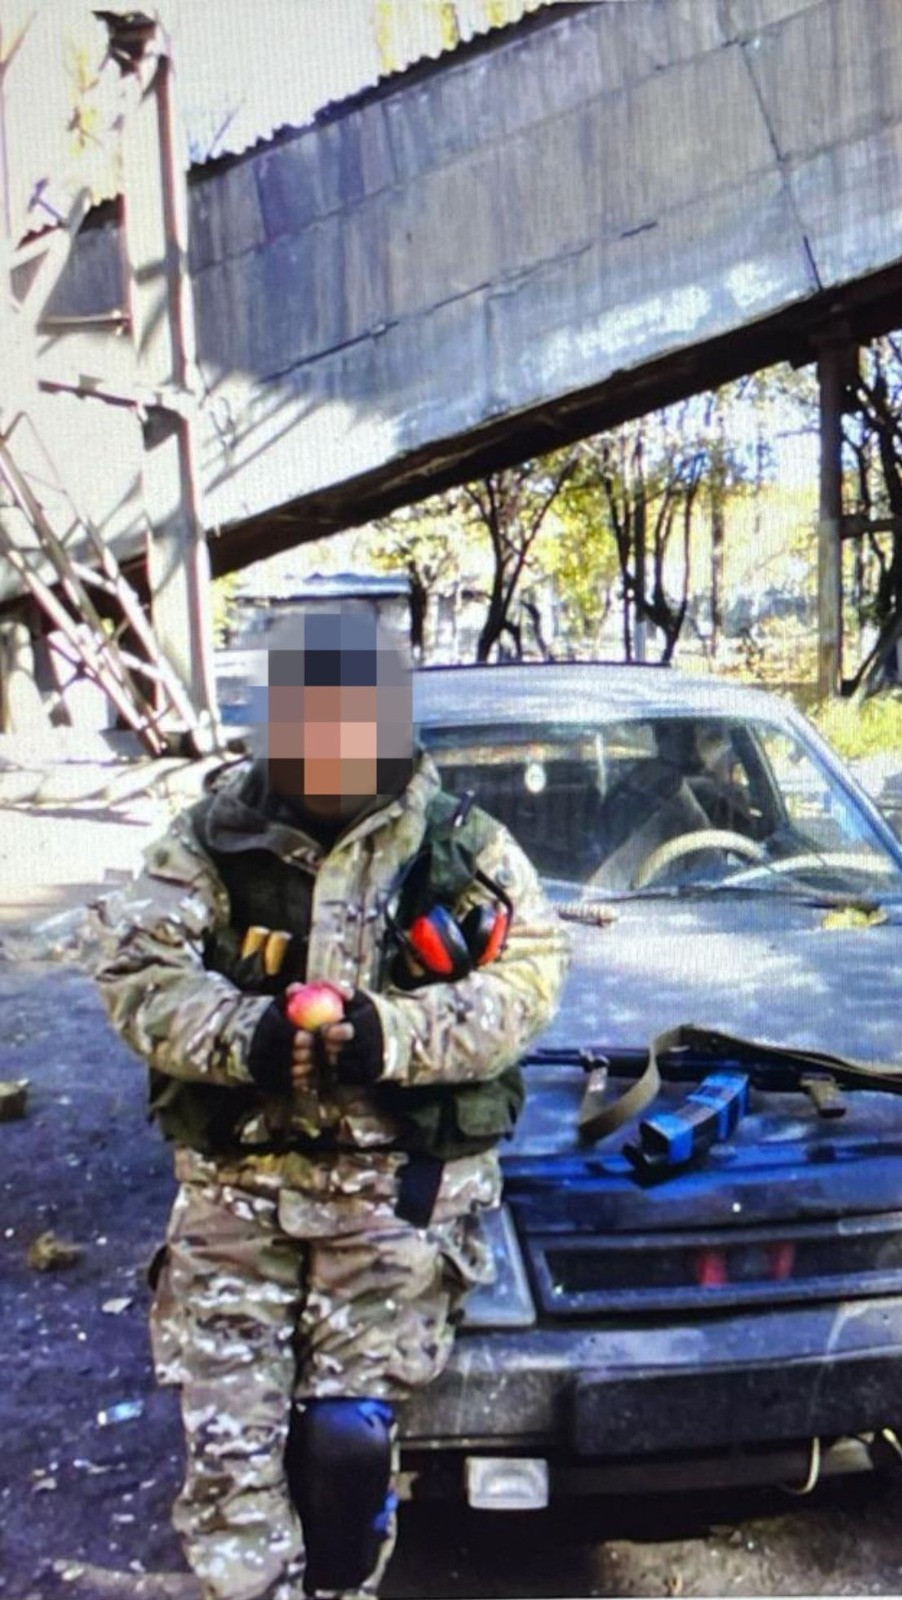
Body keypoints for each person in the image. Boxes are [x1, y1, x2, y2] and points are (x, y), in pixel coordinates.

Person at [95, 605, 568, 1600]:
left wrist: (392, 1035)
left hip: (391, 1194)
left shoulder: (460, 844)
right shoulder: (208, 841)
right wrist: (247, 1036)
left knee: (346, 1452)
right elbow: (137, 974)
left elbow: (527, 981)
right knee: (232, 1463)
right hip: (237, 1191)